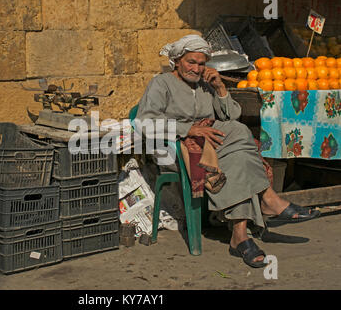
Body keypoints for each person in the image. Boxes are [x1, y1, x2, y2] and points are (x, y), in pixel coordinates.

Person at [135, 34, 321, 268]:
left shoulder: (205, 85)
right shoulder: (161, 83)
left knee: (239, 155)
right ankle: (268, 199)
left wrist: (221, 88)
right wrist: (189, 129)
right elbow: (144, 122)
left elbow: (231, 115)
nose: (196, 68)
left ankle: (240, 236)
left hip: (214, 146)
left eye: (201, 63)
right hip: (176, 150)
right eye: (191, 62)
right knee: (239, 137)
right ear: (178, 60)